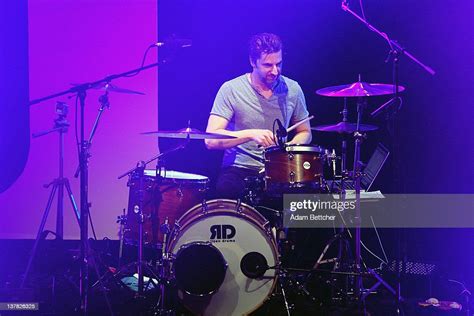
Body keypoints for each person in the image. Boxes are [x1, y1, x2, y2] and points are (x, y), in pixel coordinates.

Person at [205, 32, 312, 199]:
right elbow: (210, 140)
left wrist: (289, 148)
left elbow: (305, 132)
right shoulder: (231, 89)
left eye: (279, 64)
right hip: (240, 169)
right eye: (268, 65)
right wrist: (250, 134)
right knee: (226, 189)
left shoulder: (293, 89)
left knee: (311, 202)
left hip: (280, 169)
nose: (275, 71)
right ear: (252, 62)